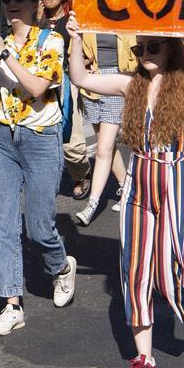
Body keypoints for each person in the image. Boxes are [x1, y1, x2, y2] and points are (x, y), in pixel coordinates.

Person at [68, 15, 184, 368]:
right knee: (135, 271)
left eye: (152, 47)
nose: (144, 54)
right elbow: (82, 78)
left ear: (170, 48)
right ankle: (144, 357)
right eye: (139, 48)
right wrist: (75, 39)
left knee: (171, 277)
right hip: (140, 180)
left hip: (176, 178)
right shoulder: (131, 84)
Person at [0, 0, 76, 336]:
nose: (12, 4)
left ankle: (61, 267)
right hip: (3, 138)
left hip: (40, 139)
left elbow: (37, 88)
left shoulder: (51, 41)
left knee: (39, 226)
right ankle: (12, 304)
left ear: (36, 5)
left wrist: (6, 55)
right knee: (3, 226)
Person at [74, 31, 138, 225]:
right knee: (106, 143)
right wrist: (83, 62)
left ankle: (92, 204)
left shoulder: (128, 16)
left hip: (119, 80)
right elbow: (75, 49)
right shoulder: (90, 13)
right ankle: (128, 188)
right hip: (91, 82)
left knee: (102, 149)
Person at [38, 0, 91, 200]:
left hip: (66, 84)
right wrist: (37, 18)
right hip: (39, 83)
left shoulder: (71, 20)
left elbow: (87, 53)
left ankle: (81, 174)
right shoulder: (35, 20)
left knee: (71, 138)